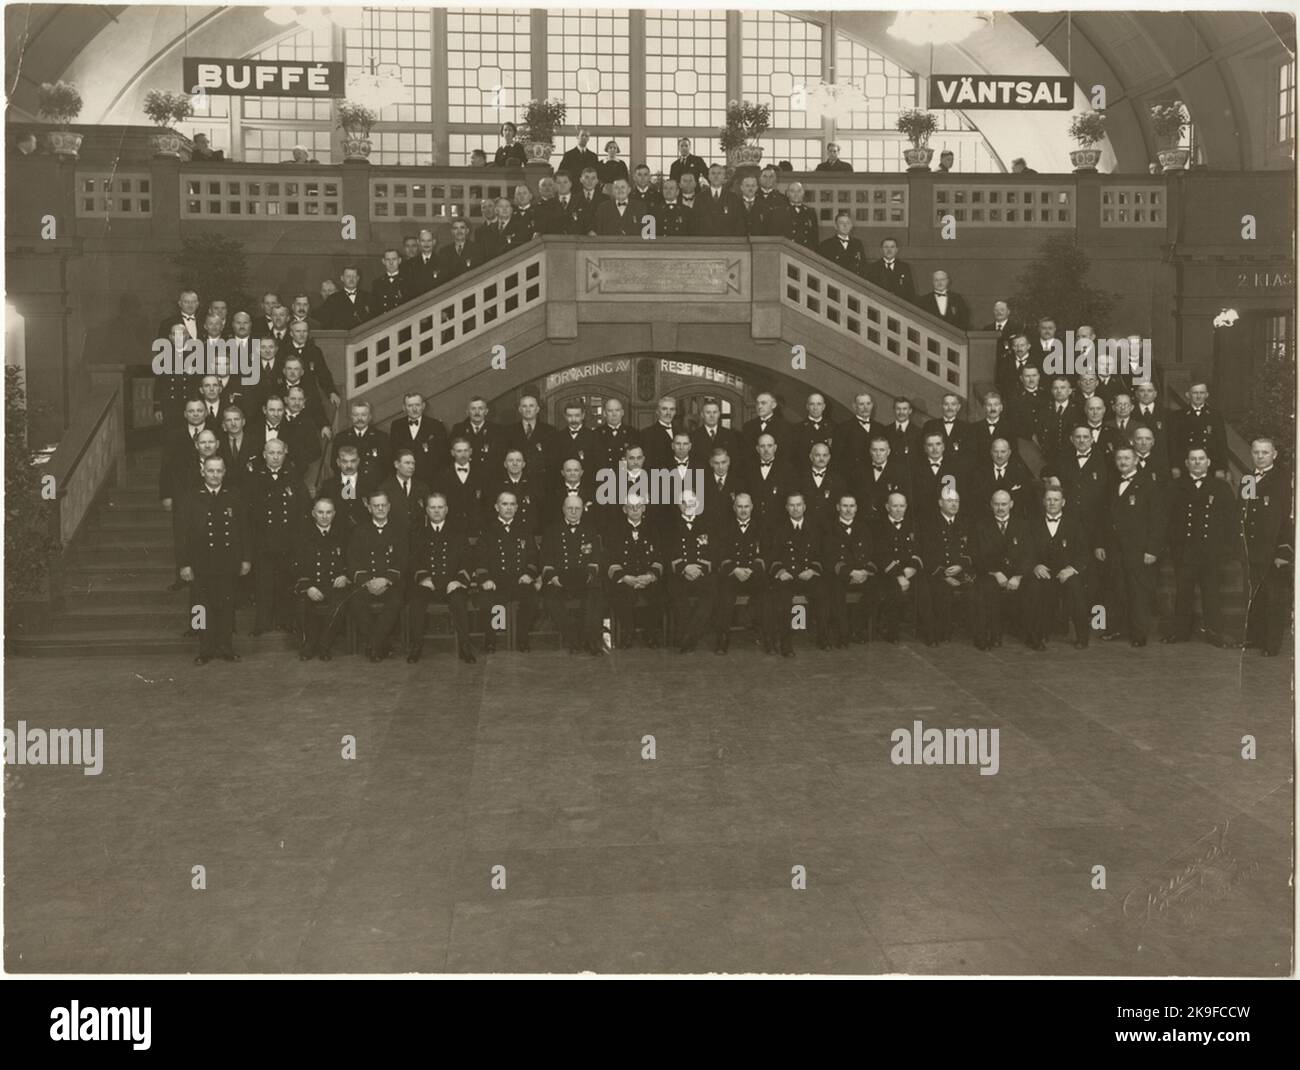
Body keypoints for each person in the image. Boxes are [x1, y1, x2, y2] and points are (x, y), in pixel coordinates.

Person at [176, 456, 251, 663]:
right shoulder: (191, 498)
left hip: (227, 562)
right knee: (201, 608)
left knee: (226, 607)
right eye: (211, 471)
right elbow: (181, 535)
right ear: (203, 472)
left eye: (219, 471)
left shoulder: (233, 496)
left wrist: (245, 559)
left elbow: (244, 529)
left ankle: (226, 647)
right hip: (201, 564)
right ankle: (204, 649)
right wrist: (184, 564)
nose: (215, 475)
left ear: (224, 472)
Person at [1163, 447, 1234, 646]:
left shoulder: (1221, 487)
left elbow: (1230, 520)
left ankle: (1215, 633)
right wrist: (1172, 544)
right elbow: (1167, 518)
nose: (1197, 462)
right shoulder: (1175, 486)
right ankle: (1180, 632)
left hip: (1210, 550)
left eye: (1201, 459)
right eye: (1192, 459)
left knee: (1211, 593)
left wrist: (1226, 548)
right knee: (1183, 592)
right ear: (1186, 463)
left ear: (1208, 462)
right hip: (1184, 549)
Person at [1097, 446, 1165, 647]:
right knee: (1116, 589)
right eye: (1119, 458)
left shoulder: (1148, 485)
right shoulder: (1111, 484)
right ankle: (1116, 628)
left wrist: (1152, 549)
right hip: (1114, 548)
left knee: (1138, 591)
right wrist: (1100, 543)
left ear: (1136, 461)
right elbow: (1103, 517)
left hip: (1138, 548)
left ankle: (1139, 633)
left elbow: (1158, 520)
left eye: (1127, 458)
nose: (1123, 462)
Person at [406, 492, 476, 664]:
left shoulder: (458, 532)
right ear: (427, 510)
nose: (436, 511)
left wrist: (459, 580)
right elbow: (412, 560)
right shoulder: (418, 533)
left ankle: (465, 646)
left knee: (459, 600)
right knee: (416, 600)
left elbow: (468, 560)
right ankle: (416, 645)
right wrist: (423, 577)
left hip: (451, 584)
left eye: (440, 507)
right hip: (427, 584)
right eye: (432, 508)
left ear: (446, 510)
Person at [247, 439, 309, 635]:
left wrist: (298, 541)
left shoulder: (294, 478)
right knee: (263, 583)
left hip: (287, 540)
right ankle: (262, 623)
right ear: (264, 454)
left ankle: (285, 621)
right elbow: (249, 514)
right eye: (271, 453)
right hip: (263, 540)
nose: (275, 457)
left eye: (279, 453)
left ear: (285, 454)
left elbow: (303, 510)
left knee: (285, 582)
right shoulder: (255, 478)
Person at [1241, 438, 1293, 657]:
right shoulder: (1248, 479)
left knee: (1275, 597)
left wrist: (1284, 550)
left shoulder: (1284, 480)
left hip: (1274, 549)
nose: (1260, 456)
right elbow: (1245, 512)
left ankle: (1272, 644)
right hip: (1253, 548)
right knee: (1257, 595)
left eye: (1265, 452)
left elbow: (1289, 518)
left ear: (1274, 455)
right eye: (1256, 452)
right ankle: (1255, 636)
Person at [1024, 487, 1091, 650]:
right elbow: (1025, 550)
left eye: (1056, 499)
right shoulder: (1032, 523)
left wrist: (1072, 569)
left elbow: (1083, 553)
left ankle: (1082, 637)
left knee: (1076, 588)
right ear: (1043, 502)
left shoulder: (1074, 524)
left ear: (1063, 502)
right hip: (1042, 572)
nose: (1052, 503)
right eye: (1048, 499)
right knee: (1033, 589)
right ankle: (1036, 638)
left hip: (1066, 573)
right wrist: (1035, 566)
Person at [474, 490, 540, 653]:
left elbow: (533, 557)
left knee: (530, 599)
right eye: (504, 504)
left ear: (517, 507)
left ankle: (522, 638)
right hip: (496, 580)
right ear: (496, 507)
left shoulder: (524, 530)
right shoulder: (487, 531)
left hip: (519, 580)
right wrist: (485, 579)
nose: (508, 508)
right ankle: (491, 639)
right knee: (487, 601)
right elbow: (480, 559)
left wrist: (529, 574)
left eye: (512, 504)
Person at [541, 493, 605, 655]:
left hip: (584, 578)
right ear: (563, 509)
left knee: (595, 595)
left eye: (577, 508)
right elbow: (545, 557)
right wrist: (553, 577)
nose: (574, 512)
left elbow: (596, 557)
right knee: (551, 599)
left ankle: (591, 640)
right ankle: (573, 639)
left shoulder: (590, 530)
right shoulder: (552, 530)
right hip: (560, 579)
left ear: (583, 510)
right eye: (570, 508)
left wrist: (591, 574)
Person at [347, 490, 408, 661]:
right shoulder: (360, 531)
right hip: (367, 583)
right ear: (369, 508)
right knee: (355, 603)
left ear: (389, 507)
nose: (380, 509)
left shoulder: (400, 531)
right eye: (376, 506)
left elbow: (403, 561)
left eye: (383, 505)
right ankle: (382, 644)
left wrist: (386, 579)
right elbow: (353, 560)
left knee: (395, 602)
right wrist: (368, 582)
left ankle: (374, 645)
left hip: (391, 582)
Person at [971, 489, 1031, 650]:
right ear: (991, 505)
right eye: (996, 504)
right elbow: (976, 556)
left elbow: (1029, 554)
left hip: (1016, 574)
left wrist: (1018, 576)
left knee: (1035, 586)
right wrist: (995, 572)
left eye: (1004, 504)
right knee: (985, 587)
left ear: (1011, 504)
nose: (1000, 508)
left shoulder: (1023, 525)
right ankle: (988, 636)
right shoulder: (980, 526)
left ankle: (1033, 636)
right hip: (991, 572)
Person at [293, 496, 349, 661]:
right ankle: (310, 644)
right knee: (303, 606)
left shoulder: (343, 535)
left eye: (328, 512)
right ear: (313, 514)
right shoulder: (302, 536)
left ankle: (324, 645)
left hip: (334, 585)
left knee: (339, 606)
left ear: (334, 514)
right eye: (320, 512)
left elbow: (351, 560)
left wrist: (345, 576)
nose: (324, 516)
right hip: (311, 584)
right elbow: (295, 566)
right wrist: (308, 586)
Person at [605, 495, 665, 648]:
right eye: (631, 507)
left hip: (648, 577)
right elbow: (610, 559)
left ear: (644, 508)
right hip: (625, 578)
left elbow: (659, 556)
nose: (635, 510)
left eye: (638, 506)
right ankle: (628, 632)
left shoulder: (653, 528)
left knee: (661, 594)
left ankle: (651, 632)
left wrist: (650, 576)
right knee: (618, 595)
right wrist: (625, 578)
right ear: (624, 509)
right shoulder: (614, 529)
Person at [712, 492, 767, 654]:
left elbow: (767, 553)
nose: (743, 510)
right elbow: (719, 553)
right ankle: (723, 638)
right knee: (725, 596)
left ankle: (765, 635)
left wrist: (751, 568)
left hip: (753, 574)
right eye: (740, 507)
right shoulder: (724, 526)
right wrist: (735, 569)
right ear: (734, 508)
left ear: (752, 507)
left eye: (746, 507)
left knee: (765, 592)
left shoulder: (761, 526)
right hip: (732, 574)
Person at [664, 491, 716, 654]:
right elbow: (667, 553)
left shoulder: (708, 524)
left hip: (702, 573)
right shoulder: (670, 526)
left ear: (698, 504)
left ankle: (688, 635)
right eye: (684, 503)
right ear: (679, 505)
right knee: (676, 594)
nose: (688, 506)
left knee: (711, 593)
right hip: (681, 574)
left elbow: (714, 553)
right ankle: (691, 636)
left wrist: (698, 569)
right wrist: (685, 568)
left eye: (692, 503)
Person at [918, 490, 973, 646]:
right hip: (938, 572)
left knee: (979, 588)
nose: (954, 504)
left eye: (956, 500)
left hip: (961, 571)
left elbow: (972, 550)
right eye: (949, 500)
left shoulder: (966, 522)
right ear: (940, 503)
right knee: (937, 590)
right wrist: (945, 575)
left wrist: (961, 566)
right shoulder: (929, 524)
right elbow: (926, 553)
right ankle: (937, 632)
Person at [822, 492, 875, 647]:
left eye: (851, 506)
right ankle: (843, 634)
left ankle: (856, 629)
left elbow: (871, 553)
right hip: (840, 574)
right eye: (844, 506)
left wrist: (864, 572)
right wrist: (850, 573)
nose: (848, 510)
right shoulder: (829, 529)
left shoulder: (864, 528)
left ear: (856, 508)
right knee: (835, 591)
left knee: (875, 590)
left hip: (862, 573)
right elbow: (828, 557)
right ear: (838, 507)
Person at [872, 491, 922, 643]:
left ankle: (928, 631)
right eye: (895, 506)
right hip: (888, 573)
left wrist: (912, 568)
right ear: (887, 507)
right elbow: (881, 556)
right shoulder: (879, 527)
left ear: (906, 507)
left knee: (926, 588)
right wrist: (899, 575)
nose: (899, 509)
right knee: (893, 591)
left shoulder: (913, 525)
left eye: (902, 506)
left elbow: (918, 550)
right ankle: (892, 632)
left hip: (910, 572)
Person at [388, 392, 447, 487]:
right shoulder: (396, 425)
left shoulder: (436, 425)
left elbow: (443, 456)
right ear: (404, 407)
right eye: (410, 405)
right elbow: (393, 454)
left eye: (417, 405)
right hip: (405, 480)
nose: (414, 409)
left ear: (423, 406)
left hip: (431, 481)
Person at [817, 210, 867, 276]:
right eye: (841, 223)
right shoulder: (825, 245)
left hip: (854, 282)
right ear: (835, 226)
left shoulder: (857, 243)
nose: (845, 225)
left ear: (851, 226)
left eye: (848, 223)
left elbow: (863, 267)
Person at [400, 229, 440, 296]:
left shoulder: (443, 261)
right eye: (423, 241)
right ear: (418, 242)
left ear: (434, 242)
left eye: (429, 241)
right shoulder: (409, 264)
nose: (426, 244)